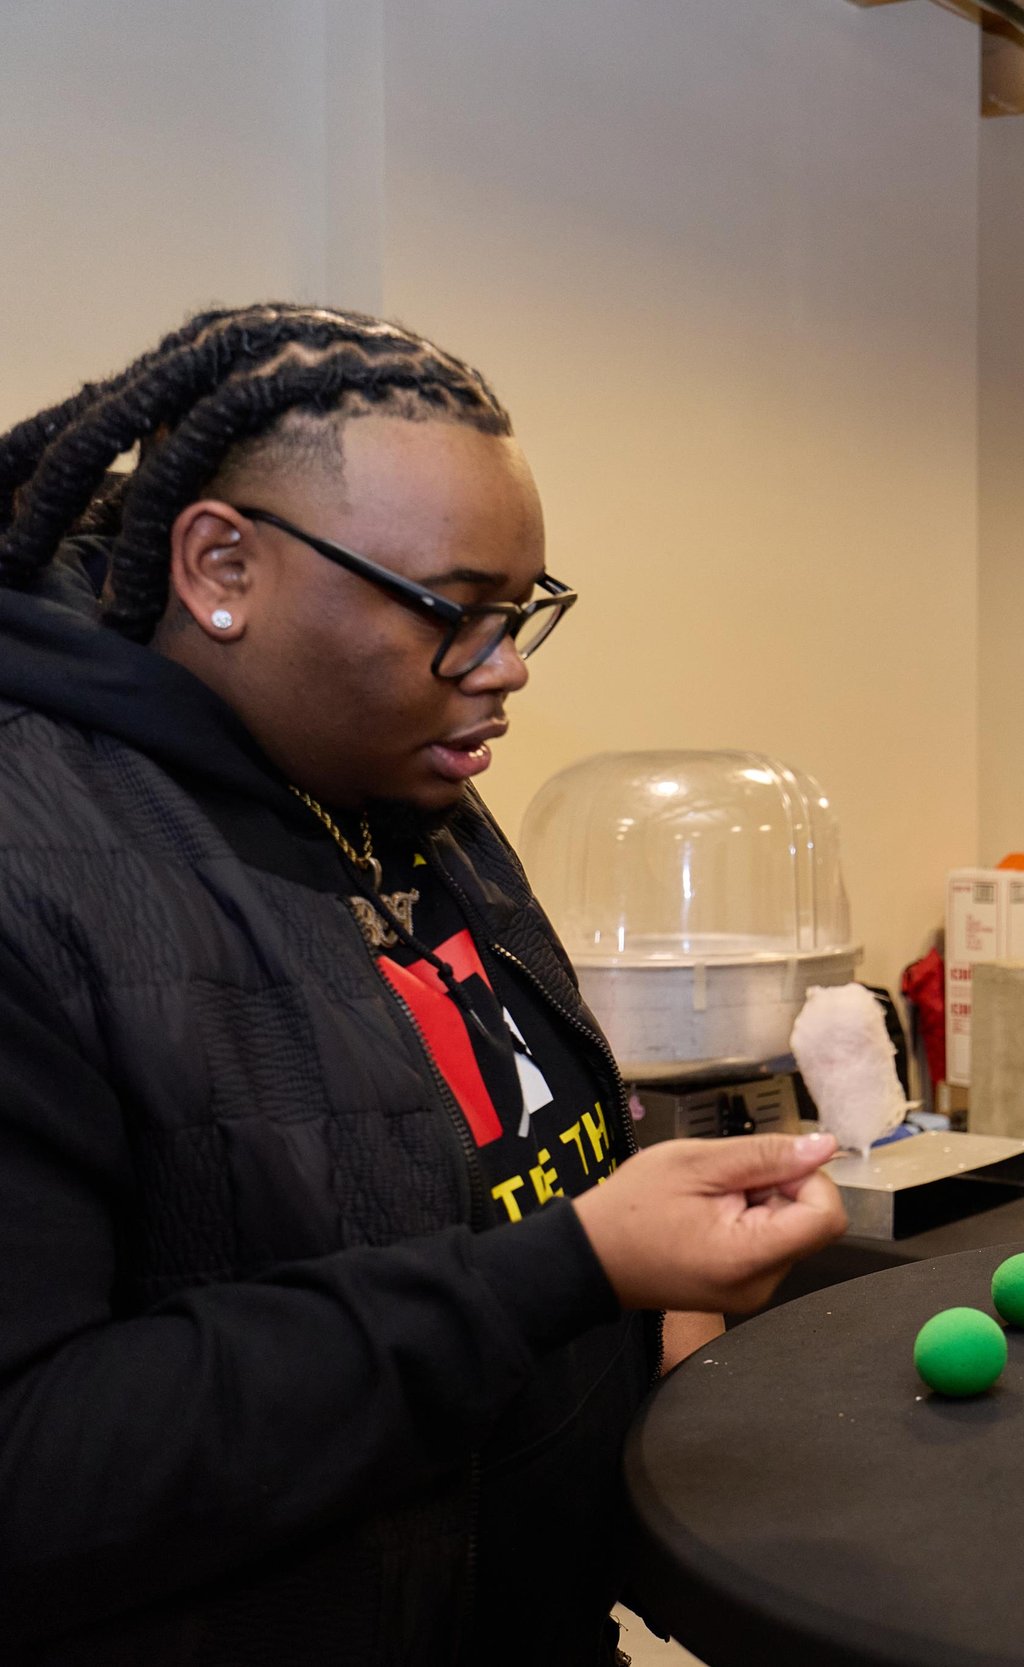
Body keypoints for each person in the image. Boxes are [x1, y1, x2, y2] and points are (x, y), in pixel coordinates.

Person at [0, 305, 849, 1665]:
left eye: (523, 614)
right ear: (223, 567)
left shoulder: (417, 791)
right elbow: (40, 1464)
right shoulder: (33, 862)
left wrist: (649, 1310)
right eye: (457, 613)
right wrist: (576, 1266)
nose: (505, 667)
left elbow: (499, 1169)